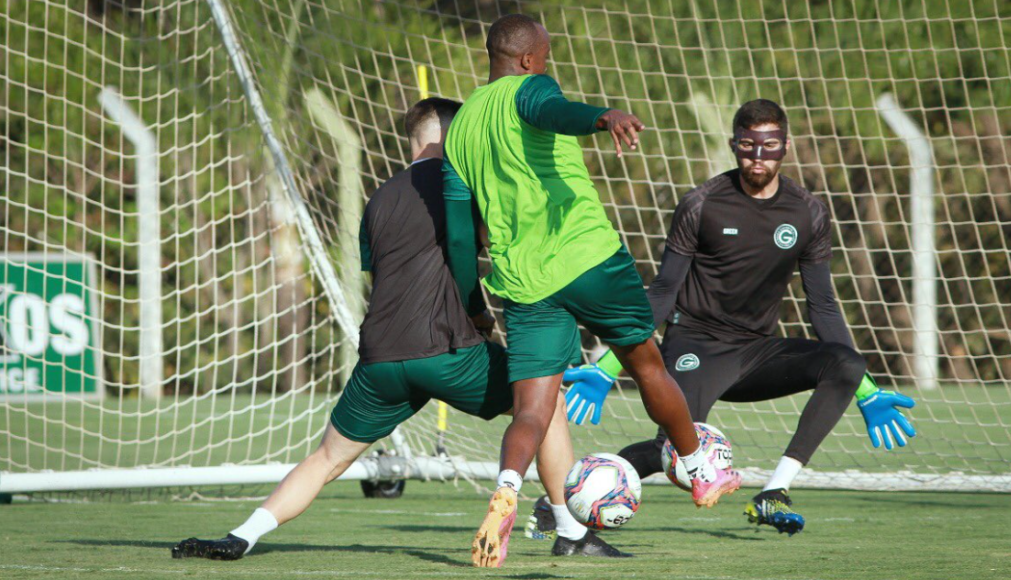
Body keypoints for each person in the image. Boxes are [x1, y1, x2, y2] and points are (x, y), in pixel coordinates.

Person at [170, 97, 625, 561]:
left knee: (327, 458)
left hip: (380, 358)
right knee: (543, 399)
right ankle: (571, 532)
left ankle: (241, 535)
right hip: (447, 351)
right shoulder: (462, 183)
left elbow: (386, 279)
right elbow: (490, 246)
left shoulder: (380, 197)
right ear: (455, 135)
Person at [442, 13, 741, 568]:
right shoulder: (532, 87)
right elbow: (548, 110)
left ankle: (508, 487)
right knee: (646, 362)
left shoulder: (459, 128)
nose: (548, 64)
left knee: (531, 409)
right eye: (547, 55)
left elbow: (460, 231)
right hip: (587, 258)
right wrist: (600, 117)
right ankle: (701, 470)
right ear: (529, 59)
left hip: (522, 284)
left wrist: (469, 303)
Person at [561, 99, 917, 537]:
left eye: (769, 146)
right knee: (670, 451)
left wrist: (866, 389)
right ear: (734, 145)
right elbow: (663, 291)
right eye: (748, 146)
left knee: (846, 362)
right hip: (693, 345)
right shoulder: (701, 203)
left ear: (785, 146)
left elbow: (822, 304)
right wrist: (608, 366)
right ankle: (561, 506)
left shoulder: (808, 212)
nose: (758, 157)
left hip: (755, 353)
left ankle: (774, 493)